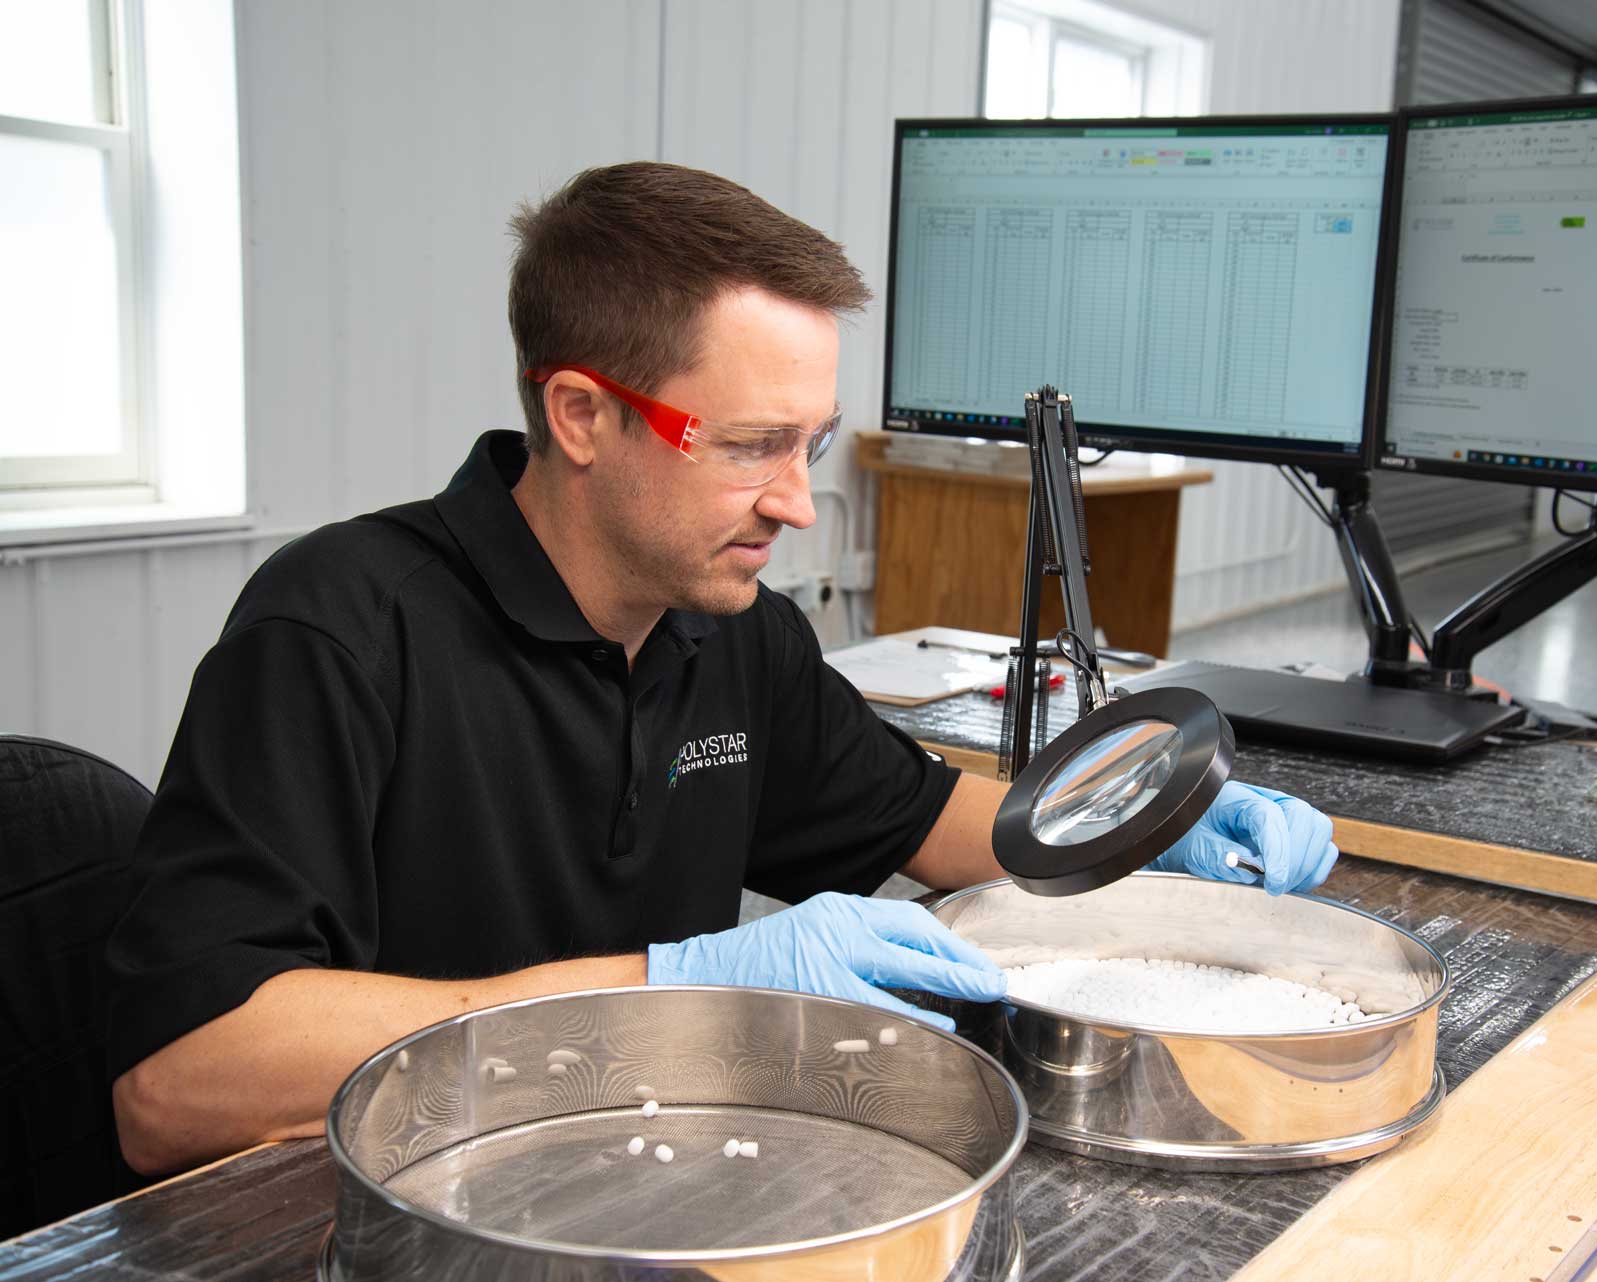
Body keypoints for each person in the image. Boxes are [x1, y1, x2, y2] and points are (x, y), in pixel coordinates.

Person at [106, 162, 1339, 1176]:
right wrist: (667, 988)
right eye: (752, 445)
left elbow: (925, 820)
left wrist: (1133, 819)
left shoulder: (732, 627)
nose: (797, 502)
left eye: (810, 444)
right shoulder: (340, 629)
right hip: (402, 1209)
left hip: (644, 1182)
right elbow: (175, 1084)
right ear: (582, 414)